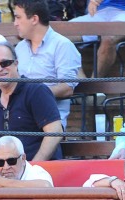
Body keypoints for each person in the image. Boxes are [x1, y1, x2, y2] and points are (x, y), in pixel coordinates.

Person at [0, 42, 63, 162]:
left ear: (16, 63)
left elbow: (55, 132)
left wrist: (33, 168)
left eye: (5, 63)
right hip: (5, 173)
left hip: (39, 173)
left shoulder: (37, 91)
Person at [12, 0, 82, 130]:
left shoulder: (62, 45)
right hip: (20, 117)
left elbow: (67, 88)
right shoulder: (19, 48)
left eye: (18, 17)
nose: (15, 23)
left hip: (49, 121)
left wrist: (32, 96)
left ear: (34, 19)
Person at [69, 0, 125, 77]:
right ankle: (81, 81)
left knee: (109, 37)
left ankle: (94, 84)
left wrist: (96, 1)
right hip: (102, 11)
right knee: (61, 34)